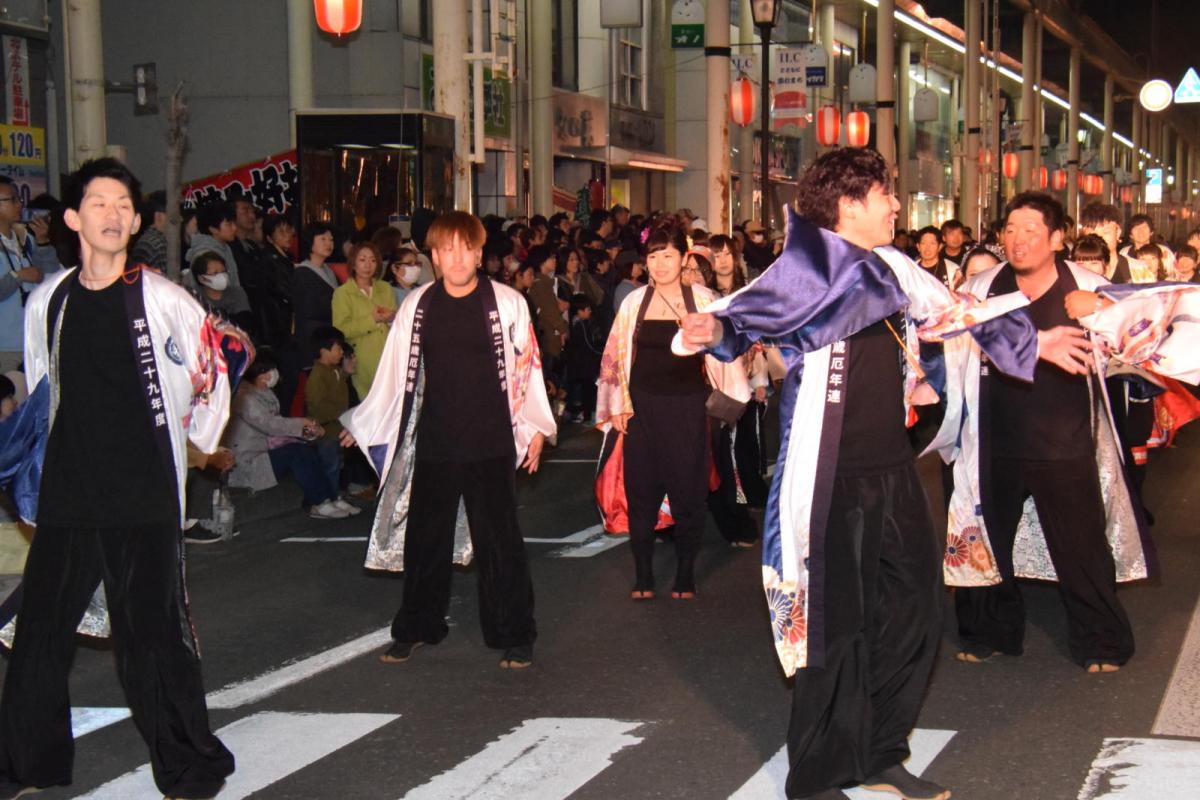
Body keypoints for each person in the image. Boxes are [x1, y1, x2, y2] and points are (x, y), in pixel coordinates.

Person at [679, 148, 1038, 800]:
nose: (896, 205)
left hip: (892, 469)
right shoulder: (803, 271)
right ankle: (819, 773)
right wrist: (712, 328)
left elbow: (956, 311)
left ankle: (878, 753)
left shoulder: (896, 265)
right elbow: (743, 315)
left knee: (916, 611)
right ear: (848, 205)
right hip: (827, 474)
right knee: (832, 626)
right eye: (885, 195)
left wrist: (1042, 337)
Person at [0, 158, 241, 799]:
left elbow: (215, 363)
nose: (113, 214)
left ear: (135, 222)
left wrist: (195, 441)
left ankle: (189, 765)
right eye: (98, 203)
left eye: (123, 206)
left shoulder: (161, 298)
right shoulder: (48, 299)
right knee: (39, 638)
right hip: (69, 495)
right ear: (74, 219)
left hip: (143, 495)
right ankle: (30, 765)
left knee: (152, 640)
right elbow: (43, 389)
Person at [931, 191, 1155, 676]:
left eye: (1031, 230)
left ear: (1057, 238)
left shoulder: (1090, 288)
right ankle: (990, 632)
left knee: (1082, 547)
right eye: (1010, 229)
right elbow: (952, 340)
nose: (1018, 240)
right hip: (995, 441)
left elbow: (1142, 344)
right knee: (986, 540)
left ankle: (1101, 640)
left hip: (1066, 442)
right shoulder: (983, 289)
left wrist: (1103, 312)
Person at [341, 211, 555, 670]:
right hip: (437, 439)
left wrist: (536, 426)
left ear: (480, 254)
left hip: (492, 439)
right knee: (426, 538)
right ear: (433, 256)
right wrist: (363, 420)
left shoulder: (507, 303)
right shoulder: (418, 306)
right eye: (446, 250)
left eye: (466, 249)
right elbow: (395, 376)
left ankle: (514, 632)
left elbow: (527, 368)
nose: (456, 259)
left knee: (500, 540)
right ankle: (418, 626)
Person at [596, 223, 750, 601]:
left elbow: (728, 347)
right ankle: (643, 573)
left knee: (689, 493)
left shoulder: (703, 299)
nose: (661, 264)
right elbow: (614, 357)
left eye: (668, 256)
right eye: (653, 257)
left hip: (689, 412)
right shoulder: (633, 302)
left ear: (684, 258)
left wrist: (733, 395)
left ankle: (685, 573)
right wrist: (616, 406)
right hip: (641, 412)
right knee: (641, 493)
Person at [223, 351, 356, 520]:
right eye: (272, 369)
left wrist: (308, 430)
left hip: (263, 451)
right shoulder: (245, 397)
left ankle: (329, 497)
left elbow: (278, 425)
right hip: (247, 461)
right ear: (262, 374)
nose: (276, 373)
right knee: (297, 453)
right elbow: (271, 425)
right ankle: (320, 501)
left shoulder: (262, 393)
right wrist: (303, 424)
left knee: (305, 449)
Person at [0, 176, 59, 373]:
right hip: (4, 346)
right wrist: (18, 276)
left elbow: (48, 276)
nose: (20, 204)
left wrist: (42, 242)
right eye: (13, 199)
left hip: (31, 341)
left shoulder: (23, 240)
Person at [332, 242, 397, 398]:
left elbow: (395, 322)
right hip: (361, 359)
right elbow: (341, 330)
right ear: (353, 263)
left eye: (373, 260)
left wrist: (392, 318)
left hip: (389, 356)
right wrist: (372, 319)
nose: (368, 265)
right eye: (362, 260)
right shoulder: (342, 294)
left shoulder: (385, 288)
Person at [292, 223, 339, 368]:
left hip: (328, 335)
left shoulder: (329, 271)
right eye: (323, 239)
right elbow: (309, 308)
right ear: (310, 243)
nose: (329, 243)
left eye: (331, 240)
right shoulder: (302, 272)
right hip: (313, 339)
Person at [185, 200, 245, 293]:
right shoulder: (205, 255)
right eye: (229, 224)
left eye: (234, 223)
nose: (234, 228)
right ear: (213, 229)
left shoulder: (225, 247)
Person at [1078, 203, 1146, 284]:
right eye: (1093, 233)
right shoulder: (1075, 269)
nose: (1100, 238)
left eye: (1106, 232)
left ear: (1118, 233)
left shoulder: (1139, 269)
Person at [188, 250, 255, 332]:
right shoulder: (195, 296)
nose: (221, 276)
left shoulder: (237, 293)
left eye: (223, 271)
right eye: (215, 273)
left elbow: (245, 324)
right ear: (202, 278)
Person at [562, 294, 604, 423]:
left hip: (584, 363)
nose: (589, 311)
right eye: (587, 309)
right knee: (587, 389)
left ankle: (587, 414)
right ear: (580, 312)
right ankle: (586, 416)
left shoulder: (579, 323)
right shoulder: (581, 325)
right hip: (584, 363)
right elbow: (590, 345)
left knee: (587, 388)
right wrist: (601, 353)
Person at [129, 190, 169, 273]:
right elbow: (167, 281)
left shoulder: (144, 240)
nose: (180, 219)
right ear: (159, 216)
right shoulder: (159, 244)